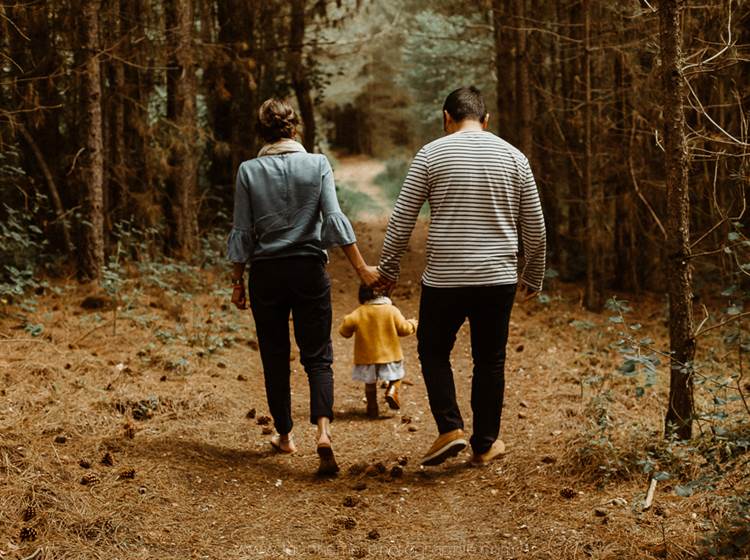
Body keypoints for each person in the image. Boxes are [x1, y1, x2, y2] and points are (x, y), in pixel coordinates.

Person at [374, 86, 546, 467]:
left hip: (445, 279)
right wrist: (532, 273)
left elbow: (402, 219)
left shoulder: (431, 154)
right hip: (497, 277)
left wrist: (387, 269)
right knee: (490, 359)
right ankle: (485, 444)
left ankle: (450, 427)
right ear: (486, 121)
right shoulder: (514, 157)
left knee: (433, 350)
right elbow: (535, 225)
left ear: (446, 118)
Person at [227, 98, 377, 475]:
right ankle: (323, 432)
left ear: (261, 131)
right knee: (319, 355)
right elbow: (334, 219)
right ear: (295, 128)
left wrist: (236, 281)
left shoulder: (248, 171)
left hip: (267, 275)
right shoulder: (318, 164)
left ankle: (285, 435)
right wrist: (361, 270)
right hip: (309, 269)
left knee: (275, 356)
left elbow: (243, 231)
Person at [339, 284, 417, 418]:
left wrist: (347, 329)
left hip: (366, 357)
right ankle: (392, 390)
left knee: (370, 384)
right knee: (397, 376)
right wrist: (412, 324)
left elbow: (345, 329)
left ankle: (372, 408)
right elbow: (403, 329)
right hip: (390, 355)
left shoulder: (360, 312)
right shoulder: (391, 310)